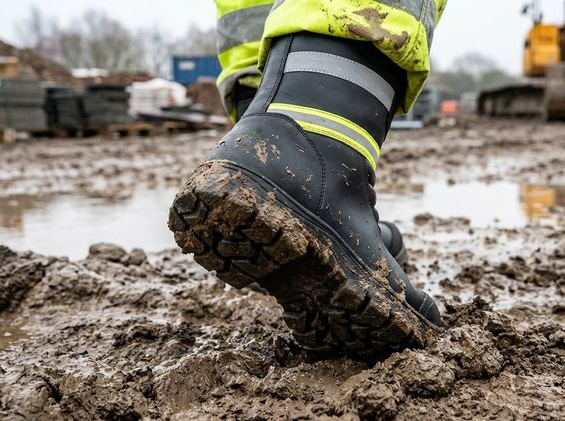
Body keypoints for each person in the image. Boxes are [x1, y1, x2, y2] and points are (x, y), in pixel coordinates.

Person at [168, 0, 446, 359]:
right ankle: (318, 140)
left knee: (251, 8)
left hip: (258, 111)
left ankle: (265, 131)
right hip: (317, 146)